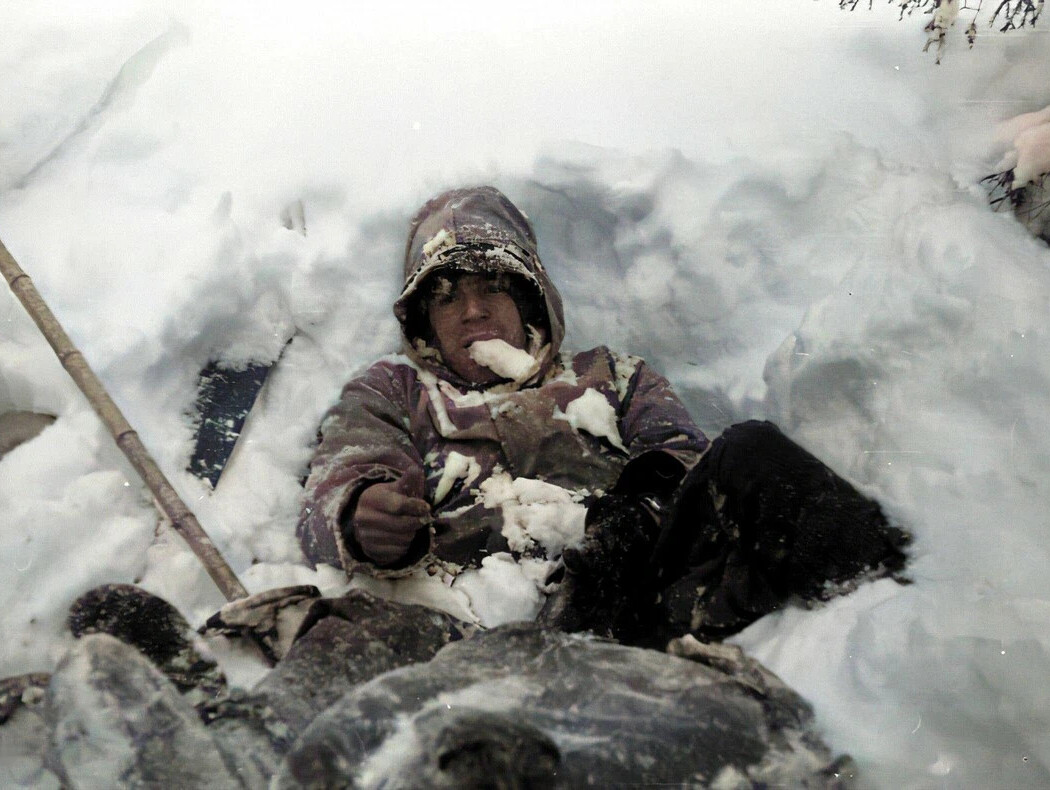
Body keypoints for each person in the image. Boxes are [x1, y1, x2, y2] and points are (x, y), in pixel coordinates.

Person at [296, 185, 909, 646]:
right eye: (446, 297)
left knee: (754, 454)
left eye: (491, 288)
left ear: (530, 296)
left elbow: (684, 455)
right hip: (473, 622)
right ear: (423, 321)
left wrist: (635, 517)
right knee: (334, 641)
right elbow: (341, 474)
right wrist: (360, 516)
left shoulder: (611, 375)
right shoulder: (395, 388)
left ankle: (893, 631)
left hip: (639, 592)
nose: (471, 311)